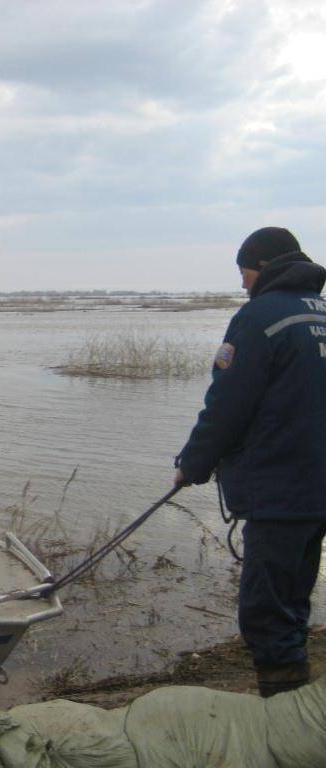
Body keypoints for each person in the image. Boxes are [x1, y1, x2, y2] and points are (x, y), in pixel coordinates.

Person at [175, 227, 326, 698]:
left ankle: (283, 710)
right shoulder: (321, 314)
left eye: (243, 271)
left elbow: (228, 404)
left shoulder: (260, 316)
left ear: (261, 266)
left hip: (281, 488)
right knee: (293, 594)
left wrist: (192, 464)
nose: (242, 282)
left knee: (265, 607)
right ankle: (297, 695)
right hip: (317, 490)